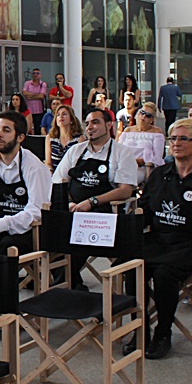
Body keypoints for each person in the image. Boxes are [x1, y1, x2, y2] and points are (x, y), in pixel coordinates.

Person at [125, 118, 192, 360]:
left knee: (164, 275)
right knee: (131, 267)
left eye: (184, 139)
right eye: (174, 138)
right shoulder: (160, 174)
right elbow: (146, 209)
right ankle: (139, 329)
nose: (177, 143)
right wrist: (133, 219)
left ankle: (163, 332)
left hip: (191, 243)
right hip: (159, 238)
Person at [51, 108, 135, 288]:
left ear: (109, 125)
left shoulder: (122, 152)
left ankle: (68, 288)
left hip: (104, 215)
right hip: (72, 210)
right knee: (51, 237)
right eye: (87, 123)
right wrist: (70, 202)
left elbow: (126, 190)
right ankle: (72, 286)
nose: (90, 127)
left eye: (95, 122)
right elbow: (58, 180)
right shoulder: (76, 151)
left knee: (75, 243)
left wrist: (92, 202)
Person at [0, 111, 52, 256]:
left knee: (5, 246)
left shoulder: (33, 166)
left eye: (6, 130)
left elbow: (36, 211)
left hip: (31, 230)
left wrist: (0, 225)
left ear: (20, 137)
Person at [120, 102, 167, 175]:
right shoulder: (127, 130)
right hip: (122, 165)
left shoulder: (157, 132)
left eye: (148, 115)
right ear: (137, 114)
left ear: (152, 120)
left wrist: (137, 161)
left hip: (143, 168)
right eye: (142, 112)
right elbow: (118, 150)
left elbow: (158, 158)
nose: (144, 116)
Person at [46, 103, 83, 173]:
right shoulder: (50, 138)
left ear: (71, 120)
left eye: (64, 114)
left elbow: (80, 164)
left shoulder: (80, 139)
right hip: (54, 176)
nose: (61, 116)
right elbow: (48, 163)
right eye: (58, 115)